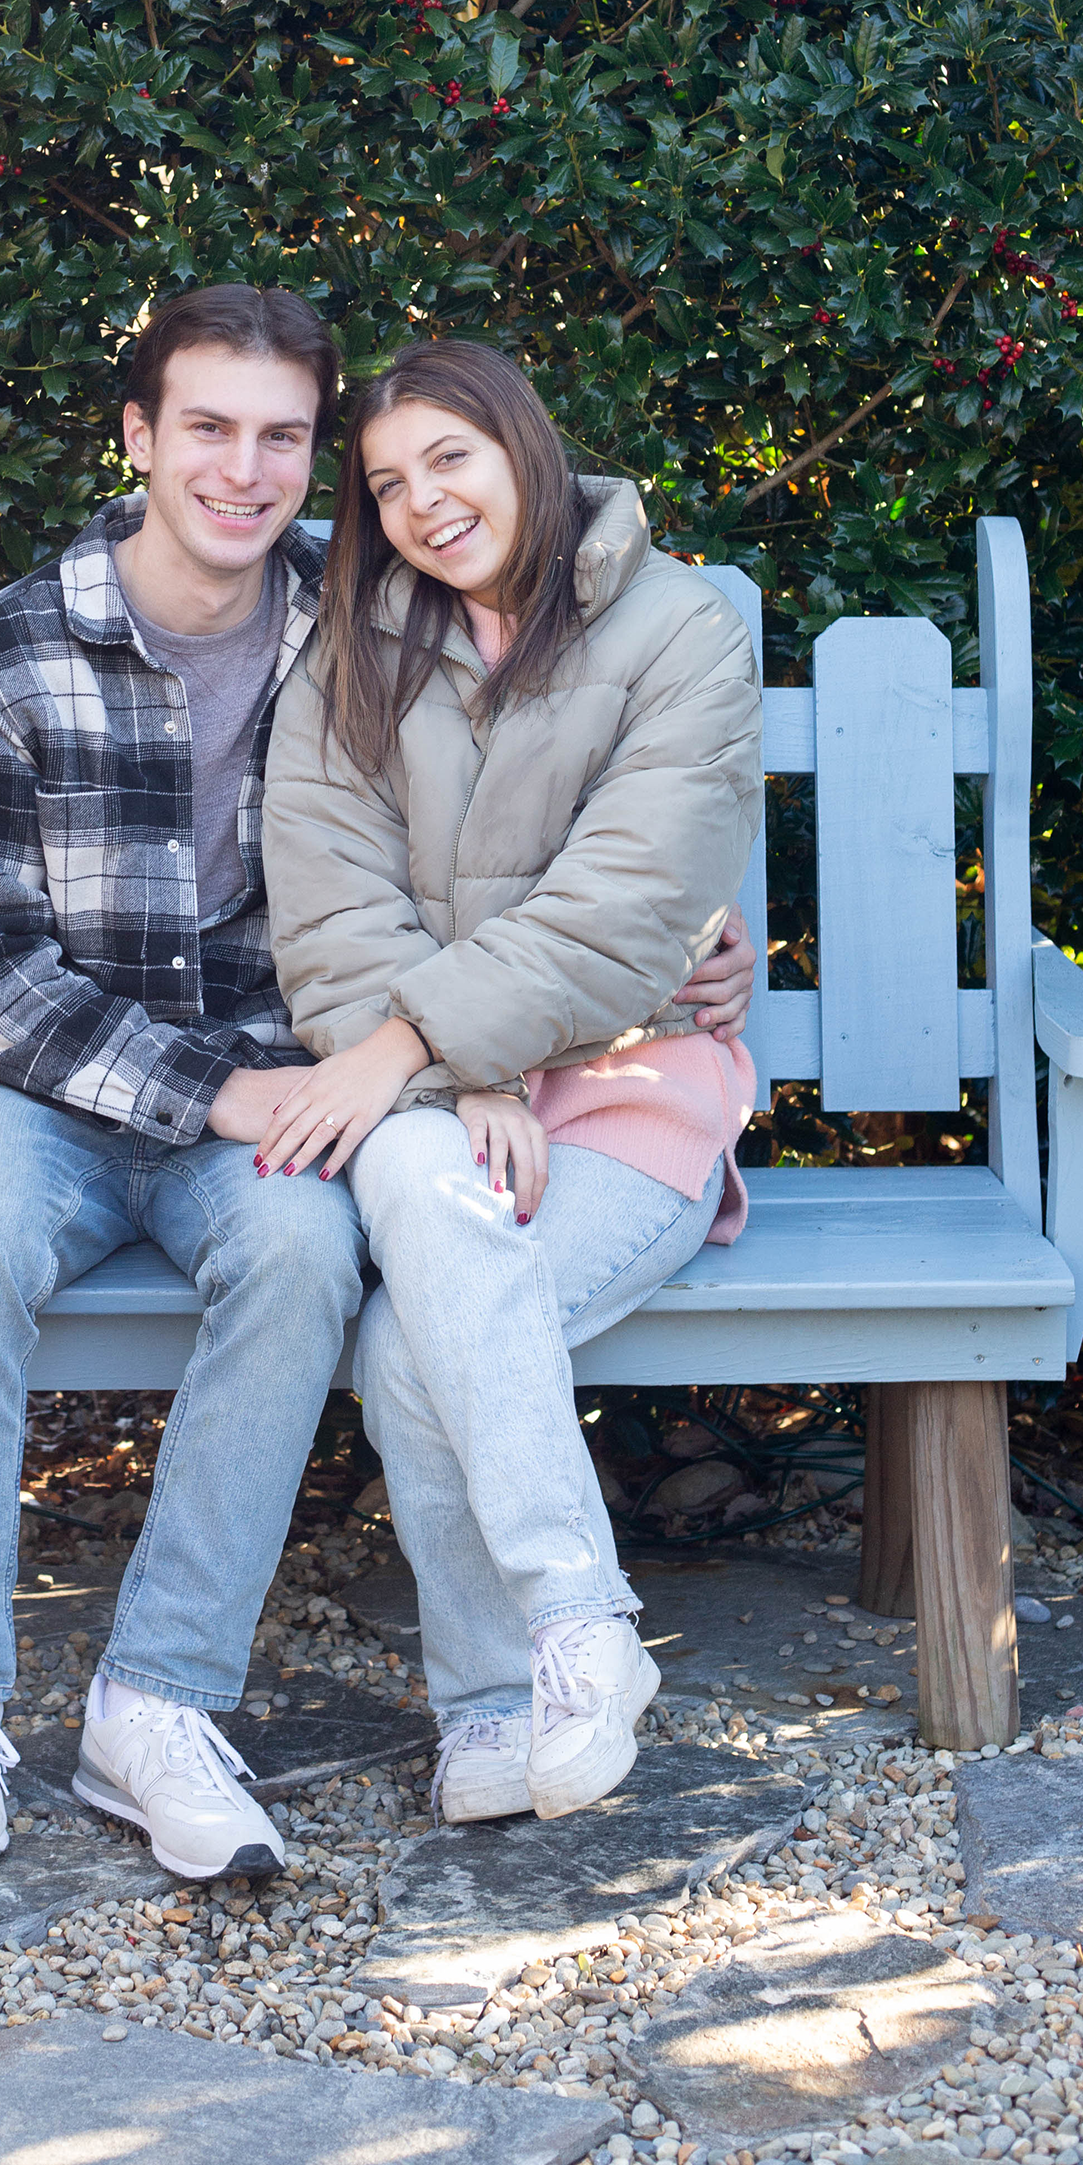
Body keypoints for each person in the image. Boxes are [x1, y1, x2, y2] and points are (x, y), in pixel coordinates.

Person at [0, 289, 757, 1883]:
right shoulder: (11, 651)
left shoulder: (353, 614)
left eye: (282, 437)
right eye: (206, 428)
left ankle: (157, 1703)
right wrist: (322, 1084)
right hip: (77, 1092)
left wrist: (584, 995)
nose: (246, 468)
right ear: (139, 438)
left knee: (300, 1258)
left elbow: (559, 863)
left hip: (309, 1079)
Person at [261, 339, 762, 1829]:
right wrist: (442, 1074)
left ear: (525, 447)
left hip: (631, 1091)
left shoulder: (683, 631)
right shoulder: (357, 647)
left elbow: (628, 911)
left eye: (452, 460)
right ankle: (571, 1644)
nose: (424, 503)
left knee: (414, 1352)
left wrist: (437, 1045)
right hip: (420, 1094)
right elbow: (331, 900)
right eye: (389, 484)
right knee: (419, 1260)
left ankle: (508, 1681)